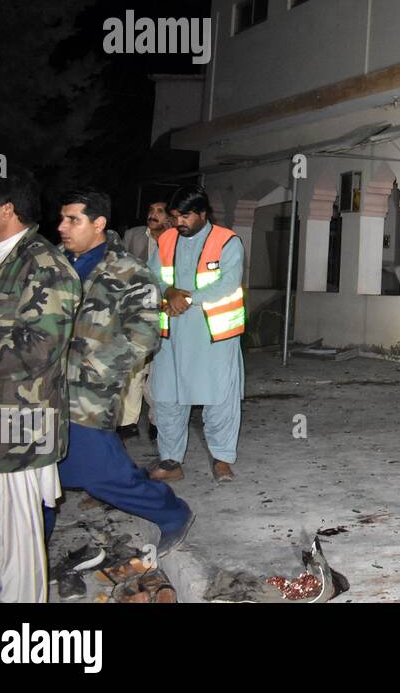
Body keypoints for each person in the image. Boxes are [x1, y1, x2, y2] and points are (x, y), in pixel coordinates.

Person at [0, 170, 81, 602]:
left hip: (13, 431)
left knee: (13, 554)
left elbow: (37, 349)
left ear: (7, 209)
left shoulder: (43, 265)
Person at [45, 189, 192, 566]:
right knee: (38, 475)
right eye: (61, 218)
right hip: (40, 388)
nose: (62, 227)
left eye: (72, 219)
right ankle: (31, 544)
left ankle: (171, 512)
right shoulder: (53, 264)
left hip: (87, 392)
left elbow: (144, 334)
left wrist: (93, 367)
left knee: (99, 470)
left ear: (98, 224)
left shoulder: (127, 271)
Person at [148, 186, 246, 482]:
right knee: (167, 397)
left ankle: (222, 459)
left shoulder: (227, 241)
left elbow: (228, 284)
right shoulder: (165, 240)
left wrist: (186, 297)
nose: (179, 222)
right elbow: (151, 275)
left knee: (219, 399)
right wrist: (168, 291)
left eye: (186, 216)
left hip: (213, 335)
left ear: (203, 214)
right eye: (176, 215)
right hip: (171, 333)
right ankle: (170, 461)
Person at [120, 199, 170, 440]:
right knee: (136, 367)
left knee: (160, 369)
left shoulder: (177, 240)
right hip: (137, 309)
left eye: (160, 211)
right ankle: (128, 422)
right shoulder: (132, 235)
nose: (153, 214)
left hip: (167, 312)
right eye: (151, 210)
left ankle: (157, 420)